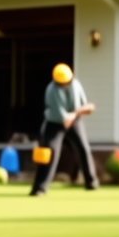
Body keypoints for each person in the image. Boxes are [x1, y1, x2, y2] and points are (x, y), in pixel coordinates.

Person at [31, 63, 97, 196]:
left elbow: (85, 105)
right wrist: (74, 114)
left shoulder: (76, 85)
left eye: (67, 82)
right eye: (61, 83)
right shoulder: (51, 90)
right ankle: (39, 188)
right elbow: (64, 119)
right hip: (54, 122)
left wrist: (76, 113)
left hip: (74, 120)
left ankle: (91, 182)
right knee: (50, 153)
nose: (64, 85)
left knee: (83, 148)